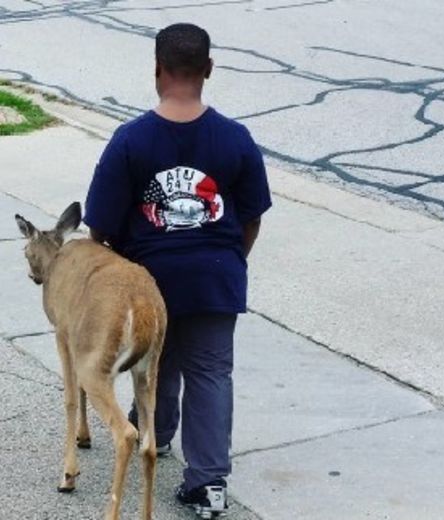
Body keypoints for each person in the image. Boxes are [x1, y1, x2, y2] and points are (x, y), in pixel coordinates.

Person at [83, 22, 271, 518]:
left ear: (157, 71)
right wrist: (228, 260)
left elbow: (98, 228)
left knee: (153, 363)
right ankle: (208, 485)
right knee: (211, 372)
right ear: (209, 70)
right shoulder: (235, 139)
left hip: (148, 280)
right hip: (216, 275)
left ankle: (154, 434)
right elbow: (250, 217)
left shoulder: (130, 140)